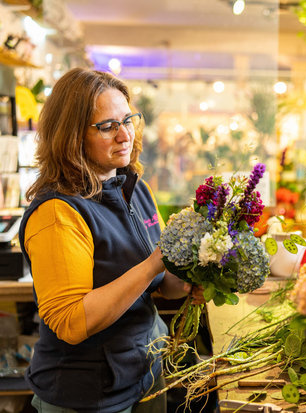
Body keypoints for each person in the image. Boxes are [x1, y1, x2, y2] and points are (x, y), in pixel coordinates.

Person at [19, 68, 206, 413]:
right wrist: (154, 263)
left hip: (144, 371)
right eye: (107, 126)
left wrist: (191, 280)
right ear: (72, 136)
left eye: (128, 120)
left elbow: (163, 284)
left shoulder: (134, 188)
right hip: (89, 395)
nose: (125, 135)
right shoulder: (58, 213)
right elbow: (72, 323)